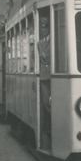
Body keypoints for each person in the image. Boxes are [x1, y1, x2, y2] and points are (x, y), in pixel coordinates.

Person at [37, 17, 52, 149]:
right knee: (46, 102)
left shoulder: (54, 40)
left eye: (46, 26)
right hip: (44, 76)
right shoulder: (39, 43)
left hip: (53, 75)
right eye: (42, 27)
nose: (44, 29)